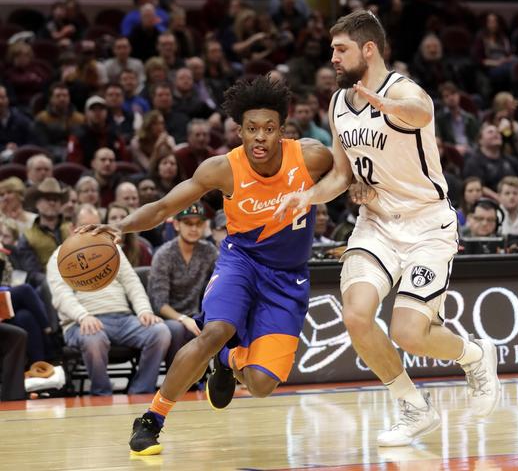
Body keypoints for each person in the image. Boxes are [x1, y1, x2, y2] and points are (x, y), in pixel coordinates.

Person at [276, 10, 500, 447]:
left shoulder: (402, 91)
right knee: (357, 315)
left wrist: (387, 106)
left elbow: (419, 112)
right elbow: (341, 176)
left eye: (340, 50)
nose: (333, 59)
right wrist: (306, 197)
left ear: (368, 49)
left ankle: (474, 356)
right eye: (332, 51)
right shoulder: (339, 103)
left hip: (426, 226)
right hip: (375, 224)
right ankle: (412, 406)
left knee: (408, 332)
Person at [78, 76, 333, 455]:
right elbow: (165, 206)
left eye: (268, 129)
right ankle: (152, 419)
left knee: (262, 385)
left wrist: (361, 189)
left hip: (288, 278)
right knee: (215, 330)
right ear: (239, 131)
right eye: (251, 129)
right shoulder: (222, 169)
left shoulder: (312, 157)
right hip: (241, 262)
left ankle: (228, 359)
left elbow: (350, 173)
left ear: (283, 130)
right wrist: (121, 225)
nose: (259, 137)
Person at [47, 204, 171, 396]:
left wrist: (144, 311)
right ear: (73, 228)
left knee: (160, 332)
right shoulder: (59, 257)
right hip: (82, 322)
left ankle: (140, 391)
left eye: (94, 226)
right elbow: (61, 295)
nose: (89, 231)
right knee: (93, 339)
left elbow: (132, 282)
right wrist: (83, 316)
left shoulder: (111, 249)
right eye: (84, 226)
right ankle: (101, 394)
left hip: (122, 319)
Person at [148, 203, 218, 366]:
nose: (194, 228)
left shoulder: (209, 251)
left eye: (199, 223)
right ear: (177, 224)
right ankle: (176, 380)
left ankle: (214, 378)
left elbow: (219, 286)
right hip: (166, 318)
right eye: (188, 223)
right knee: (178, 329)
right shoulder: (164, 254)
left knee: (219, 325)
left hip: (196, 315)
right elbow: (159, 304)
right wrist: (183, 318)